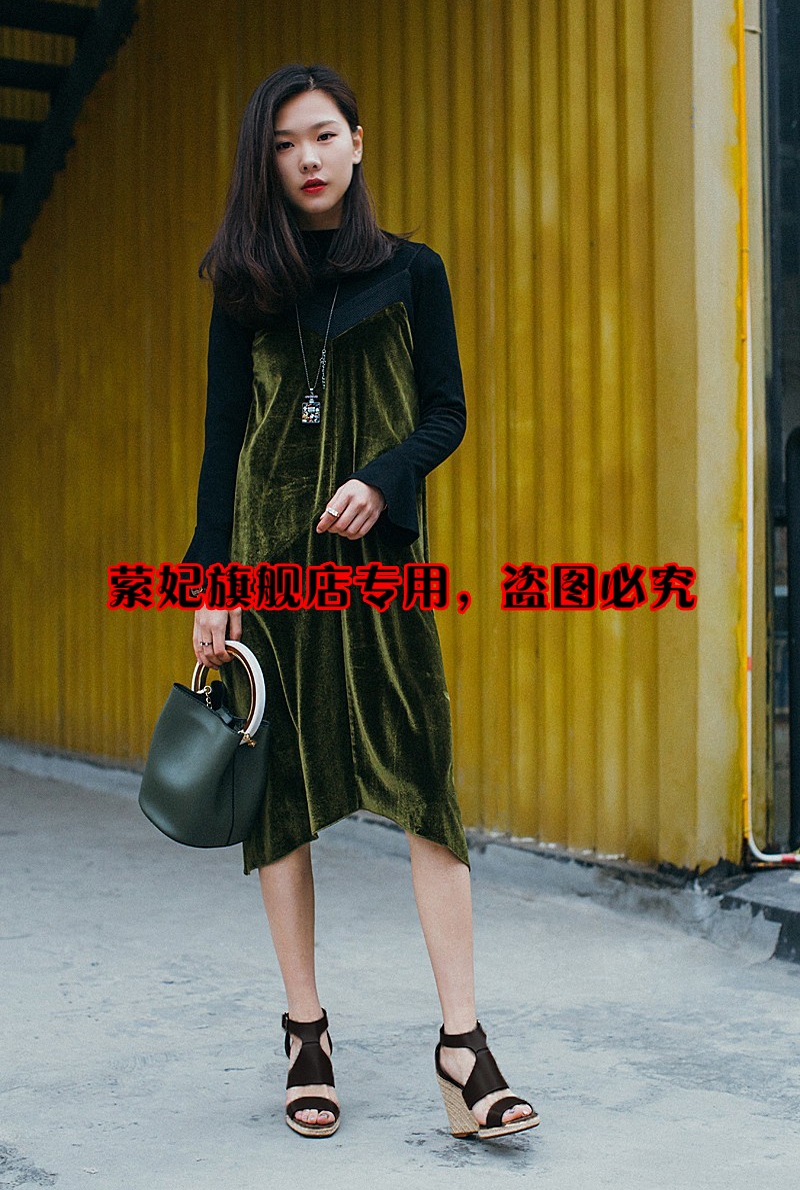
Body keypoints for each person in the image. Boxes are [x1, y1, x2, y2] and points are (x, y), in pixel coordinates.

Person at [181, 62, 539, 1142]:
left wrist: (382, 478)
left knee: (425, 784)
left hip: (377, 566)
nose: (307, 159)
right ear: (266, 161)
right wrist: (210, 578)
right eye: (285, 143)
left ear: (358, 142)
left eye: (323, 136)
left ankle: (463, 1048)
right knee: (279, 798)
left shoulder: (414, 271)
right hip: (267, 566)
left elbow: (446, 412)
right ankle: (306, 1033)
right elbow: (223, 443)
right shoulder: (243, 285)